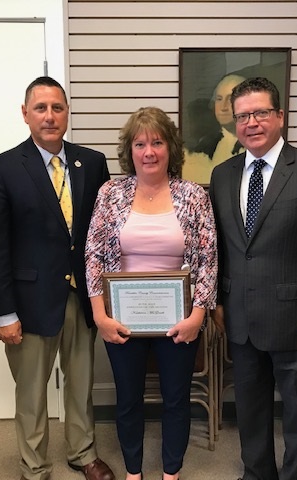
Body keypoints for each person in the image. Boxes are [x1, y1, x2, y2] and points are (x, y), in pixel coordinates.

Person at [209, 77, 297, 480]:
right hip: (241, 320)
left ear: (280, 116)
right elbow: (221, 247)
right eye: (243, 116)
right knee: (250, 414)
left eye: (260, 113)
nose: (251, 122)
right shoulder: (223, 175)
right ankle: (257, 474)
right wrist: (219, 302)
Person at [0, 76, 115, 480]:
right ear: (25, 114)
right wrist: (2, 312)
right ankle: (35, 466)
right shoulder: (3, 168)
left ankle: (82, 452)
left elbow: (102, 232)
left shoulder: (91, 162)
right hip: (29, 301)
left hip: (82, 298)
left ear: (67, 112)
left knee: (81, 382)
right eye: (41, 108)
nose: (50, 116)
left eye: (58, 107)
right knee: (32, 391)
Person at [85, 106, 217, 480]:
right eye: (140, 143)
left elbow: (208, 258)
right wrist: (99, 315)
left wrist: (198, 316)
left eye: (157, 142)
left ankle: (171, 473)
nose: (149, 151)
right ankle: (133, 473)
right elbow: (93, 253)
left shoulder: (193, 195)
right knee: (128, 400)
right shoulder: (111, 192)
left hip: (180, 318)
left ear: (170, 148)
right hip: (121, 318)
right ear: (129, 151)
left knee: (177, 399)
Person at [183, 74, 246, 184]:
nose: (223, 107)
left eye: (231, 99)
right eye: (219, 99)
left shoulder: (257, 146)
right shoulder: (202, 147)